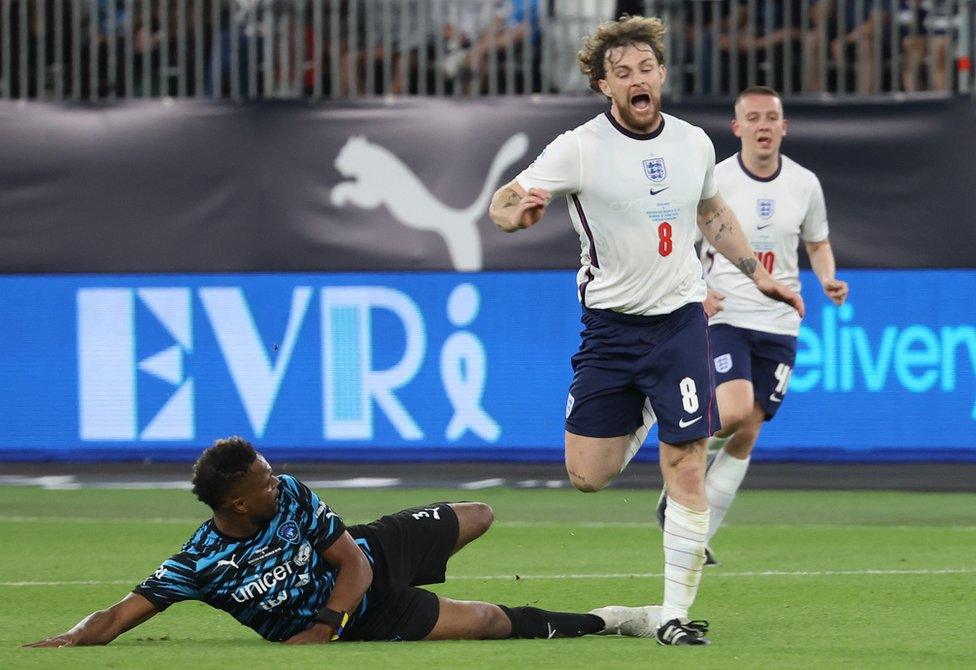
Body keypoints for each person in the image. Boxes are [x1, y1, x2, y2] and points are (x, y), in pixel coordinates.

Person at [488, 15, 803, 646]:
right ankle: (647, 415)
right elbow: (504, 201)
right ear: (605, 86)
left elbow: (712, 211)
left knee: (685, 462)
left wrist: (756, 273)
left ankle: (674, 615)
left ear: (661, 75)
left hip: (681, 322)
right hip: (609, 330)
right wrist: (513, 213)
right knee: (587, 476)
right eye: (621, 73)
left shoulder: (691, 143)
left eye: (644, 69)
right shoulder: (578, 147)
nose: (636, 80)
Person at [24, 437, 659, 648]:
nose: (278, 479)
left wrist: (323, 626)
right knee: (491, 620)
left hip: (366, 560)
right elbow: (117, 614)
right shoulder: (198, 565)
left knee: (480, 513)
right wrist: (73, 637)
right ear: (238, 502)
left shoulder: (292, 494)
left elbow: (348, 561)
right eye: (264, 479)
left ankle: (421, 560)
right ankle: (616, 620)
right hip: (371, 615)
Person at [678, 86, 848, 565]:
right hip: (728, 311)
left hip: (780, 321)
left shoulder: (804, 183)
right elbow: (685, 243)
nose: (763, 126)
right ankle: (679, 457)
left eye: (771, 117)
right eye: (752, 118)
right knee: (733, 412)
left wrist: (828, 278)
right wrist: (699, 290)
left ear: (784, 126)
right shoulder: (717, 183)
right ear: (738, 128)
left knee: (750, 428)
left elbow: (816, 241)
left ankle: (698, 531)